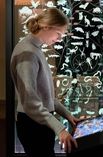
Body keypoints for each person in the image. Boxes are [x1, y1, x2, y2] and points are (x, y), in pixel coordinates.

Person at [10, 8, 78, 157]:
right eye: (58, 34)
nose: (59, 39)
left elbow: (45, 95)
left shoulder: (35, 49)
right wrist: (59, 128)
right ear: (47, 26)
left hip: (38, 123)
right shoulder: (28, 52)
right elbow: (30, 101)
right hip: (32, 125)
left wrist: (67, 115)